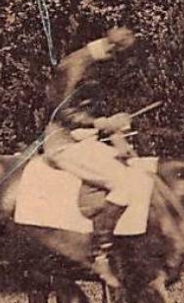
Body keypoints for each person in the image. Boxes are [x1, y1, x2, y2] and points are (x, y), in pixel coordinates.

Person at [41, 27, 150, 287]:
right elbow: (60, 113)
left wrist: (118, 139)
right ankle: (99, 253)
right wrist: (105, 123)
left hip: (83, 141)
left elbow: (98, 113)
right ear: (113, 50)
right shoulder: (73, 65)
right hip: (62, 144)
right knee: (124, 184)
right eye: (121, 59)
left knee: (135, 170)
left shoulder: (95, 65)